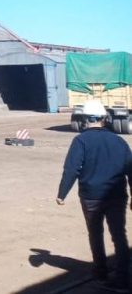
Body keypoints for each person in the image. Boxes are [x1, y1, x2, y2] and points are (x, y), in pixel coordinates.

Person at [58, 99, 132, 289]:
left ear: (86, 120)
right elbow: (130, 170)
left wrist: (62, 193)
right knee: (119, 235)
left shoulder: (80, 140)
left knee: (95, 233)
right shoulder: (119, 141)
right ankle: (123, 278)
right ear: (104, 119)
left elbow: (71, 169)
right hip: (117, 196)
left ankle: (100, 272)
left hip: (91, 197)